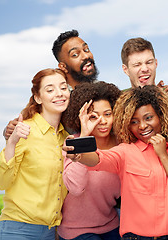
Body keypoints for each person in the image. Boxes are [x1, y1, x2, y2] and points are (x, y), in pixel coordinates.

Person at [64, 85, 168, 239]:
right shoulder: (125, 151)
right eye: (134, 122)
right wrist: (79, 152)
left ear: (161, 116)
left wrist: (163, 156)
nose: (142, 126)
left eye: (148, 118)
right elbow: (99, 159)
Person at [0, 68, 70, 240]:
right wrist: (11, 143)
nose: (59, 94)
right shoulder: (24, 131)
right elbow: (1, 182)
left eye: (63, 87)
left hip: (51, 232)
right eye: (50, 90)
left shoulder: (65, 138)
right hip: (17, 229)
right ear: (38, 97)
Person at [4, 29, 98, 140]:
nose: (86, 56)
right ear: (63, 67)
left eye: (86, 49)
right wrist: (9, 130)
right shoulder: (58, 96)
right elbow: (27, 119)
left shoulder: (101, 90)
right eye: (75, 54)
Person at [58, 82, 122, 240]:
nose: (102, 121)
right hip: (76, 229)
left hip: (110, 223)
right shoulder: (73, 142)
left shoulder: (122, 145)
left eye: (108, 114)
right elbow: (76, 188)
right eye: (94, 116)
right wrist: (85, 136)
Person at [121, 37, 168, 107]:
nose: (145, 69)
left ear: (156, 63)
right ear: (126, 70)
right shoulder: (117, 101)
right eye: (137, 65)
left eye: (149, 62)